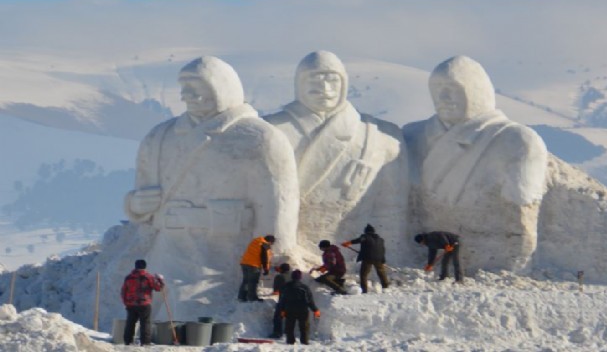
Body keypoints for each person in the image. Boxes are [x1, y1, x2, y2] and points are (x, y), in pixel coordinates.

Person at [123, 56, 299, 319]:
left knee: (187, 316)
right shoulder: (159, 137)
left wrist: (273, 260)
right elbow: (141, 195)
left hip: (222, 257)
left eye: (199, 87)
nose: (187, 95)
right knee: (150, 311)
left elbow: (278, 206)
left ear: (222, 87)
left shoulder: (260, 138)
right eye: (184, 87)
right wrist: (136, 205)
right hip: (168, 250)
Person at [403, 55, 548, 273]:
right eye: (437, 89)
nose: (443, 97)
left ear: (476, 91)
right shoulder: (413, 136)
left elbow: (522, 215)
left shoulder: (515, 140)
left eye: (453, 88)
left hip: (493, 258)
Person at [264, 51, 409, 264]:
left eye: (332, 79)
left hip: (353, 251)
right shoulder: (271, 129)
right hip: (293, 252)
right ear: (298, 84)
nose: (324, 88)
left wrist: (390, 254)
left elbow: (391, 208)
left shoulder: (380, 135)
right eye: (314, 79)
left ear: (345, 83)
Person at [121, 259, 164, 346]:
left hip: (131, 304)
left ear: (135, 266)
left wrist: (126, 302)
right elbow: (158, 288)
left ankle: (128, 341)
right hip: (144, 304)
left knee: (130, 323)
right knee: (145, 323)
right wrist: (160, 280)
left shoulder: (128, 277)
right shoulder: (149, 277)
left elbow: (123, 291)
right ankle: (145, 342)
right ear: (145, 267)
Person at [341, 223, 389, 293]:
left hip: (368, 258)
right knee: (381, 273)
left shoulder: (365, 236)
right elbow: (383, 249)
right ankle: (386, 288)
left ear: (366, 231)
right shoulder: (380, 239)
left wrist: (349, 243)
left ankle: (364, 290)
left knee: (363, 274)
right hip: (379, 258)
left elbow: (360, 240)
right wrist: (383, 260)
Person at [278, 270, 320, 345]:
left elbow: (282, 299)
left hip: (290, 310)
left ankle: (290, 342)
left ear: (292, 277)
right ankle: (304, 342)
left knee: (289, 327)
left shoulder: (286, 287)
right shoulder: (304, 287)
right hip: (303, 310)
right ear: (300, 277)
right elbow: (310, 300)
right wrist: (315, 310)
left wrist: (282, 310)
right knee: (304, 327)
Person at [238, 235, 275, 302]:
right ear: (270, 241)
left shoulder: (255, 241)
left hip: (244, 263)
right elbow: (265, 258)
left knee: (246, 281)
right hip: (253, 265)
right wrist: (266, 269)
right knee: (253, 282)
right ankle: (252, 298)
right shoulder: (265, 245)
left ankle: (241, 297)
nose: (271, 245)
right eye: (271, 243)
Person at [269, 263, 292, 338]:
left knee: (278, 317)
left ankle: (277, 333)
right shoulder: (292, 275)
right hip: (294, 300)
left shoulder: (279, 276)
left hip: (283, 300)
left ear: (281, 269)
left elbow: (276, 291)